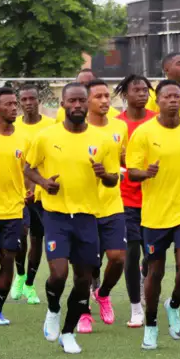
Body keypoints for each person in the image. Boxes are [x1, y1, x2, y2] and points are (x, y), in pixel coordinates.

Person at [24, 83, 118, 354]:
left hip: (88, 216)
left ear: (87, 103)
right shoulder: (45, 136)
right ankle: (53, 309)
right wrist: (43, 182)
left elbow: (114, 180)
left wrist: (104, 175)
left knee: (83, 280)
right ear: (62, 104)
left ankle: (68, 332)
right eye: (71, 101)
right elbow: (28, 167)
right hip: (56, 215)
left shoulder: (102, 140)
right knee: (58, 273)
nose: (77, 105)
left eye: (81, 101)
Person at [127, 80, 180, 350]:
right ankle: (150, 324)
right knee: (155, 273)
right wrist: (146, 172)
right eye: (167, 96)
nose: (173, 100)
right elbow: (132, 171)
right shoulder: (143, 133)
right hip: (155, 214)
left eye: (177, 96)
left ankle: (173, 304)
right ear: (157, 100)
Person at [75, 79, 129, 334]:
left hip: (112, 204)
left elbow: (123, 161)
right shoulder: (75, 129)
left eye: (107, 96)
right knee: (85, 264)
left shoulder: (120, 127)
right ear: (86, 101)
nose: (105, 101)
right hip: (83, 206)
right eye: (98, 96)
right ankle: (84, 312)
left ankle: (103, 293)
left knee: (118, 258)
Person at [114, 74, 157, 327]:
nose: (142, 94)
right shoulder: (117, 125)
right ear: (125, 95)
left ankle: (146, 282)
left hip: (155, 199)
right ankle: (135, 307)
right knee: (130, 251)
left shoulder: (157, 121)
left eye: (145, 90)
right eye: (137, 90)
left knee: (151, 255)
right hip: (126, 198)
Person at [0, 87, 30, 326]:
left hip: (14, 210)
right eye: (9, 104)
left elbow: (29, 169)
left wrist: (31, 189)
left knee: (7, 260)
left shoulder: (23, 138)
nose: (15, 107)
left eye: (16, 103)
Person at [11, 83, 54, 305]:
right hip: (16, 193)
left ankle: (29, 285)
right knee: (20, 236)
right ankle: (20, 275)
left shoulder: (50, 126)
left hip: (41, 192)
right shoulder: (14, 126)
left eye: (32, 99)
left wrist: (37, 187)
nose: (28, 103)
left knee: (37, 239)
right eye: (24, 99)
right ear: (19, 102)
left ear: (39, 101)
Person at [54, 69, 120, 122]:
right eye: (80, 84)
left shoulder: (115, 115)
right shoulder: (63, 112)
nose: (84, 87)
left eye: (89, 84)